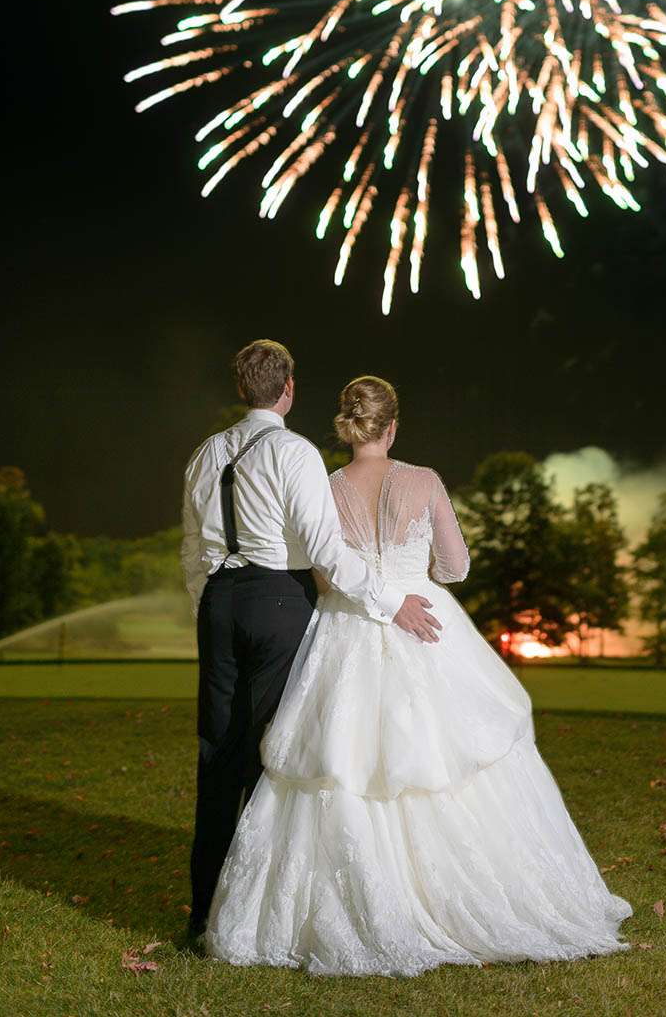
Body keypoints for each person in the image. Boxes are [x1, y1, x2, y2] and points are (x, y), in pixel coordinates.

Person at [205, 375, 633, 975]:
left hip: (345, 627)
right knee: (442, 753)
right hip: (423, 618)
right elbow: (455, 567)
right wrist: (415, 566)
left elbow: (324, 573)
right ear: (393, 426)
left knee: (341, 758)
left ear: (348, 427)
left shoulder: (325, 486)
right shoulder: (424, 480)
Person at [180, 343, 441, 945]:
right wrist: (390, 601)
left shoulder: (204, 453)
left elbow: (192, 546)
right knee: (277, 749)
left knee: (218, 750)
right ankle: (250, 908)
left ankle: (202, 910)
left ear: (242, 388)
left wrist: (210, 604)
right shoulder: (293, 453)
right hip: (278, 600)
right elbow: (325, 548)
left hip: (220, 603)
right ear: (288, 388)